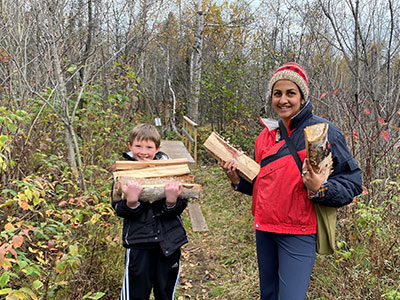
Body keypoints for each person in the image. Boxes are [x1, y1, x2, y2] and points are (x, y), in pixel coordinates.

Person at [221, 62, 362, 300]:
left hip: (298, 232)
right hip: (264, 228)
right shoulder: (265, 136)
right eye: (277, 93)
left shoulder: (322, 132)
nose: (283, 100)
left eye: (290, 93)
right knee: (268, 295)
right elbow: (263, 185)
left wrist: (322, 188)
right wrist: (237, 180)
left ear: (302, 97)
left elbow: (353, 183)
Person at [111, 123, 188, 300]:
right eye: (138, 146)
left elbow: (181, 206)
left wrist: (171, 201)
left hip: (169, 244)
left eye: (149, 147)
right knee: (135, 294)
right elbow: (117, 207)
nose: (143, 152)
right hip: (139, 244)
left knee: (165, 293)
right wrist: (131, 202)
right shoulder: (123, 172)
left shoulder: (170, 169)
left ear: (157, 149)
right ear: (129, 146)